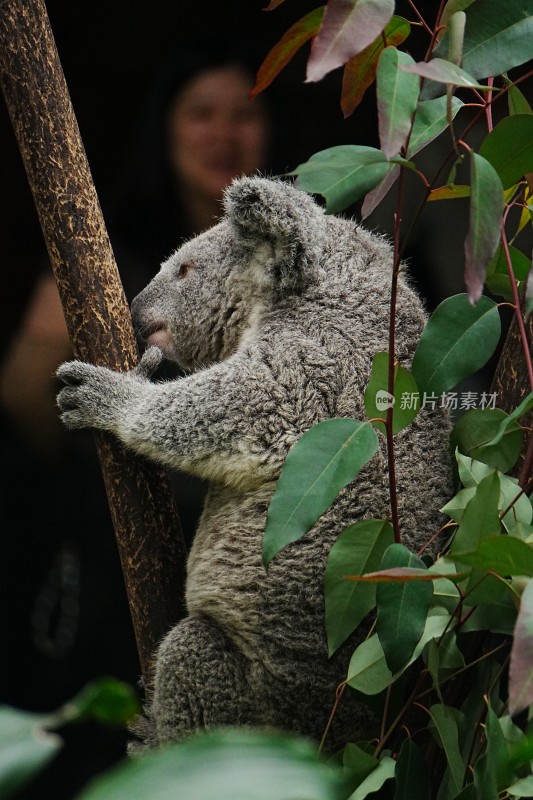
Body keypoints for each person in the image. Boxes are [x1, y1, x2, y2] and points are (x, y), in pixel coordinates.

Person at [0, 42, 271, 799]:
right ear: (164, 130)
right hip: (114, 574)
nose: (224, 133)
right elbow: (27, 410)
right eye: (201, 114)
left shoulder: (298, 262)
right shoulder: (104, 258)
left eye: (243, 114)